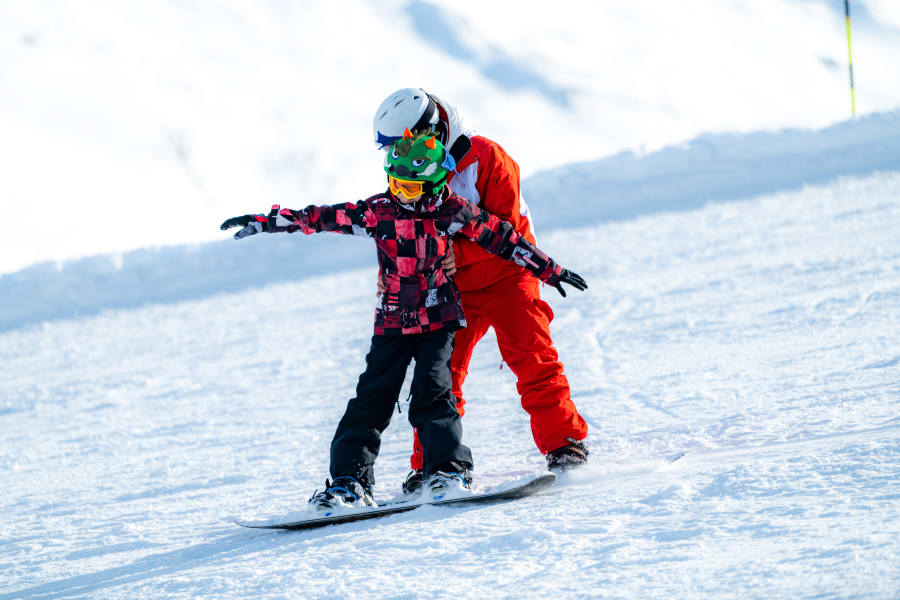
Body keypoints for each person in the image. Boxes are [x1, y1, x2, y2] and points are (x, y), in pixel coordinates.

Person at [220, 128, 587, 510]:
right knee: (371, 399)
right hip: (393, 322)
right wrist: (267, 221)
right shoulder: (380, 211)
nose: (401, 195)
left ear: (434, 183)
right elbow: (322, 217)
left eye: (411, 188)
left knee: (434, 393)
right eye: (395, 183)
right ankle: (349, 481)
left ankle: (446, 470)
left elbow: (505, 239)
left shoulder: (454, 211)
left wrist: (551, 271)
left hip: (438, 321)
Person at [372, 89, 591, 494]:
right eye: (397, 146)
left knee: (532, 357)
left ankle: (565, 444)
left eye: (410, 140)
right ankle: (435, 464)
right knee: (438, 377)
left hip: (509, 277)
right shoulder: (410, 169)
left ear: (432, 128)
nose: (406, 151)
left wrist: (456, 252)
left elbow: (505, 228)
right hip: (456, 290)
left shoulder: (487, 158)